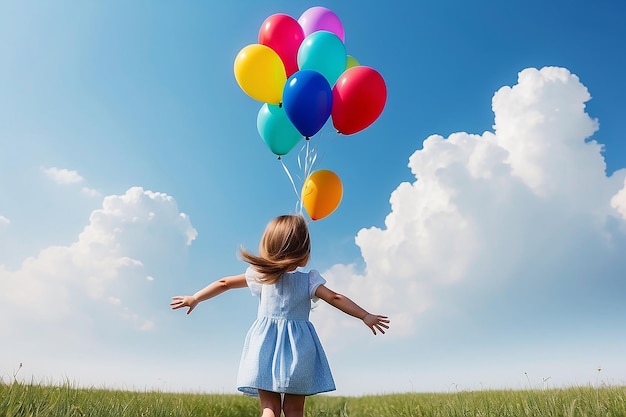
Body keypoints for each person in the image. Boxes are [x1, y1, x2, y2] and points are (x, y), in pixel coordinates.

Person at [170, 214, 390, 417]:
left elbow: (224, 283)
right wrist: (365, 315)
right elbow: (334, 298)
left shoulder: (261, 276)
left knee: (269, 408)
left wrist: (195, 297)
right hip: (299, 349)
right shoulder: (309, 280)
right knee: (294, 410)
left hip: (264, 345)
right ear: (304, 249)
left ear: (269, 244)